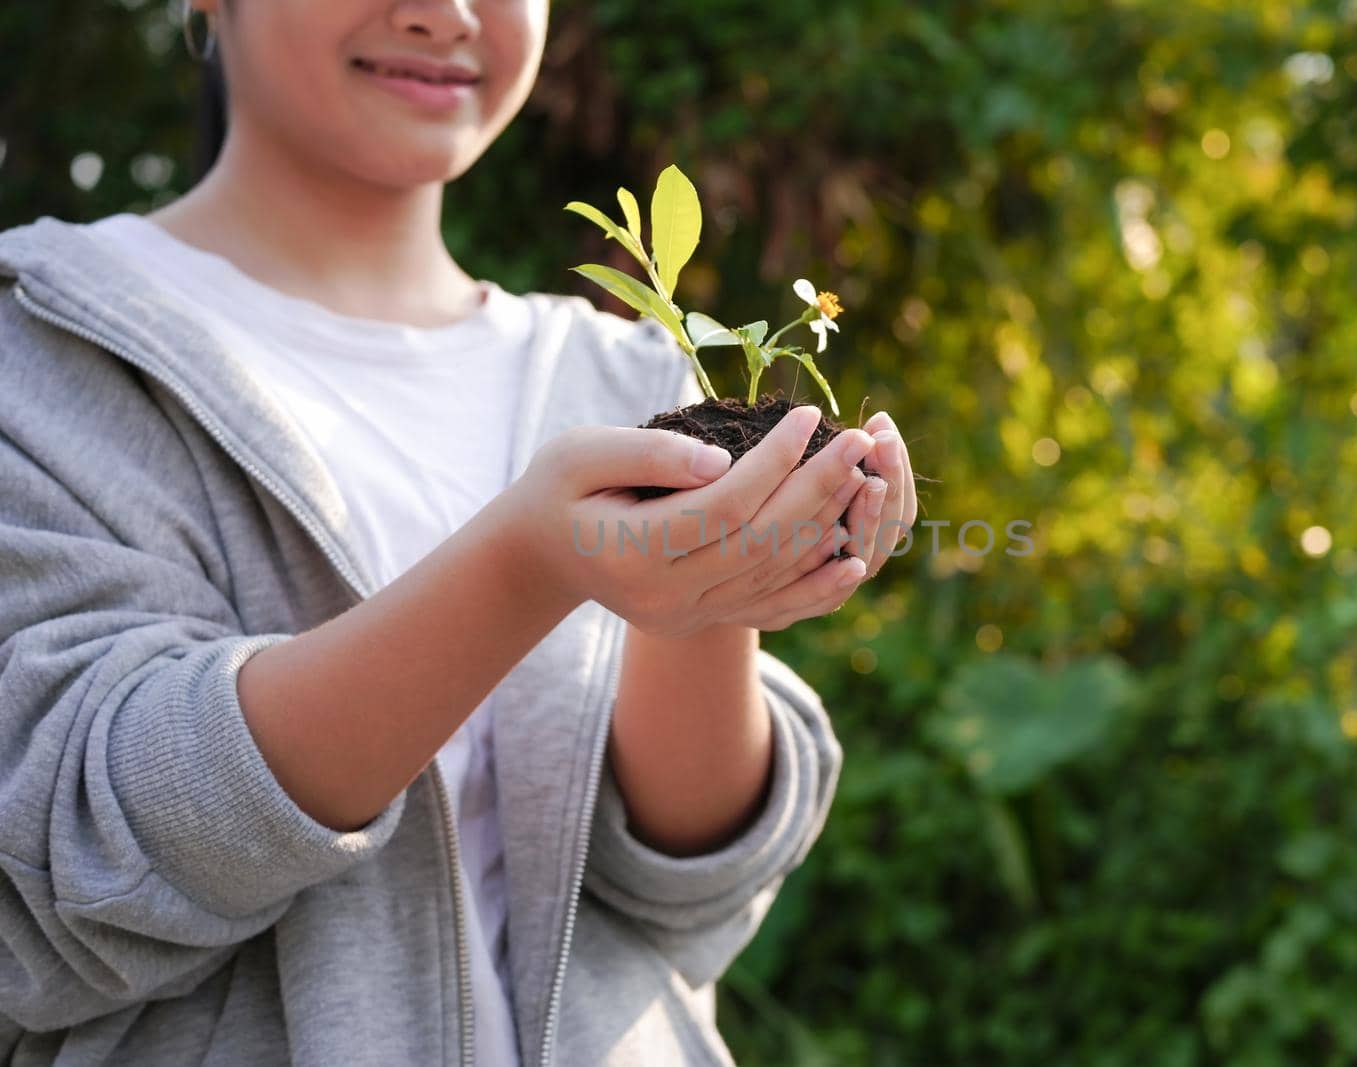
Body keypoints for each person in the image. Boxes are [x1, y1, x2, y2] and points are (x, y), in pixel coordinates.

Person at [0, 0, 918, 1063]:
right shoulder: (42, 346)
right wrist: (527, 565)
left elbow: (683, 889)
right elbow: (60, 856)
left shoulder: (627, 377)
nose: (444, 14)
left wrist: (706, 595)